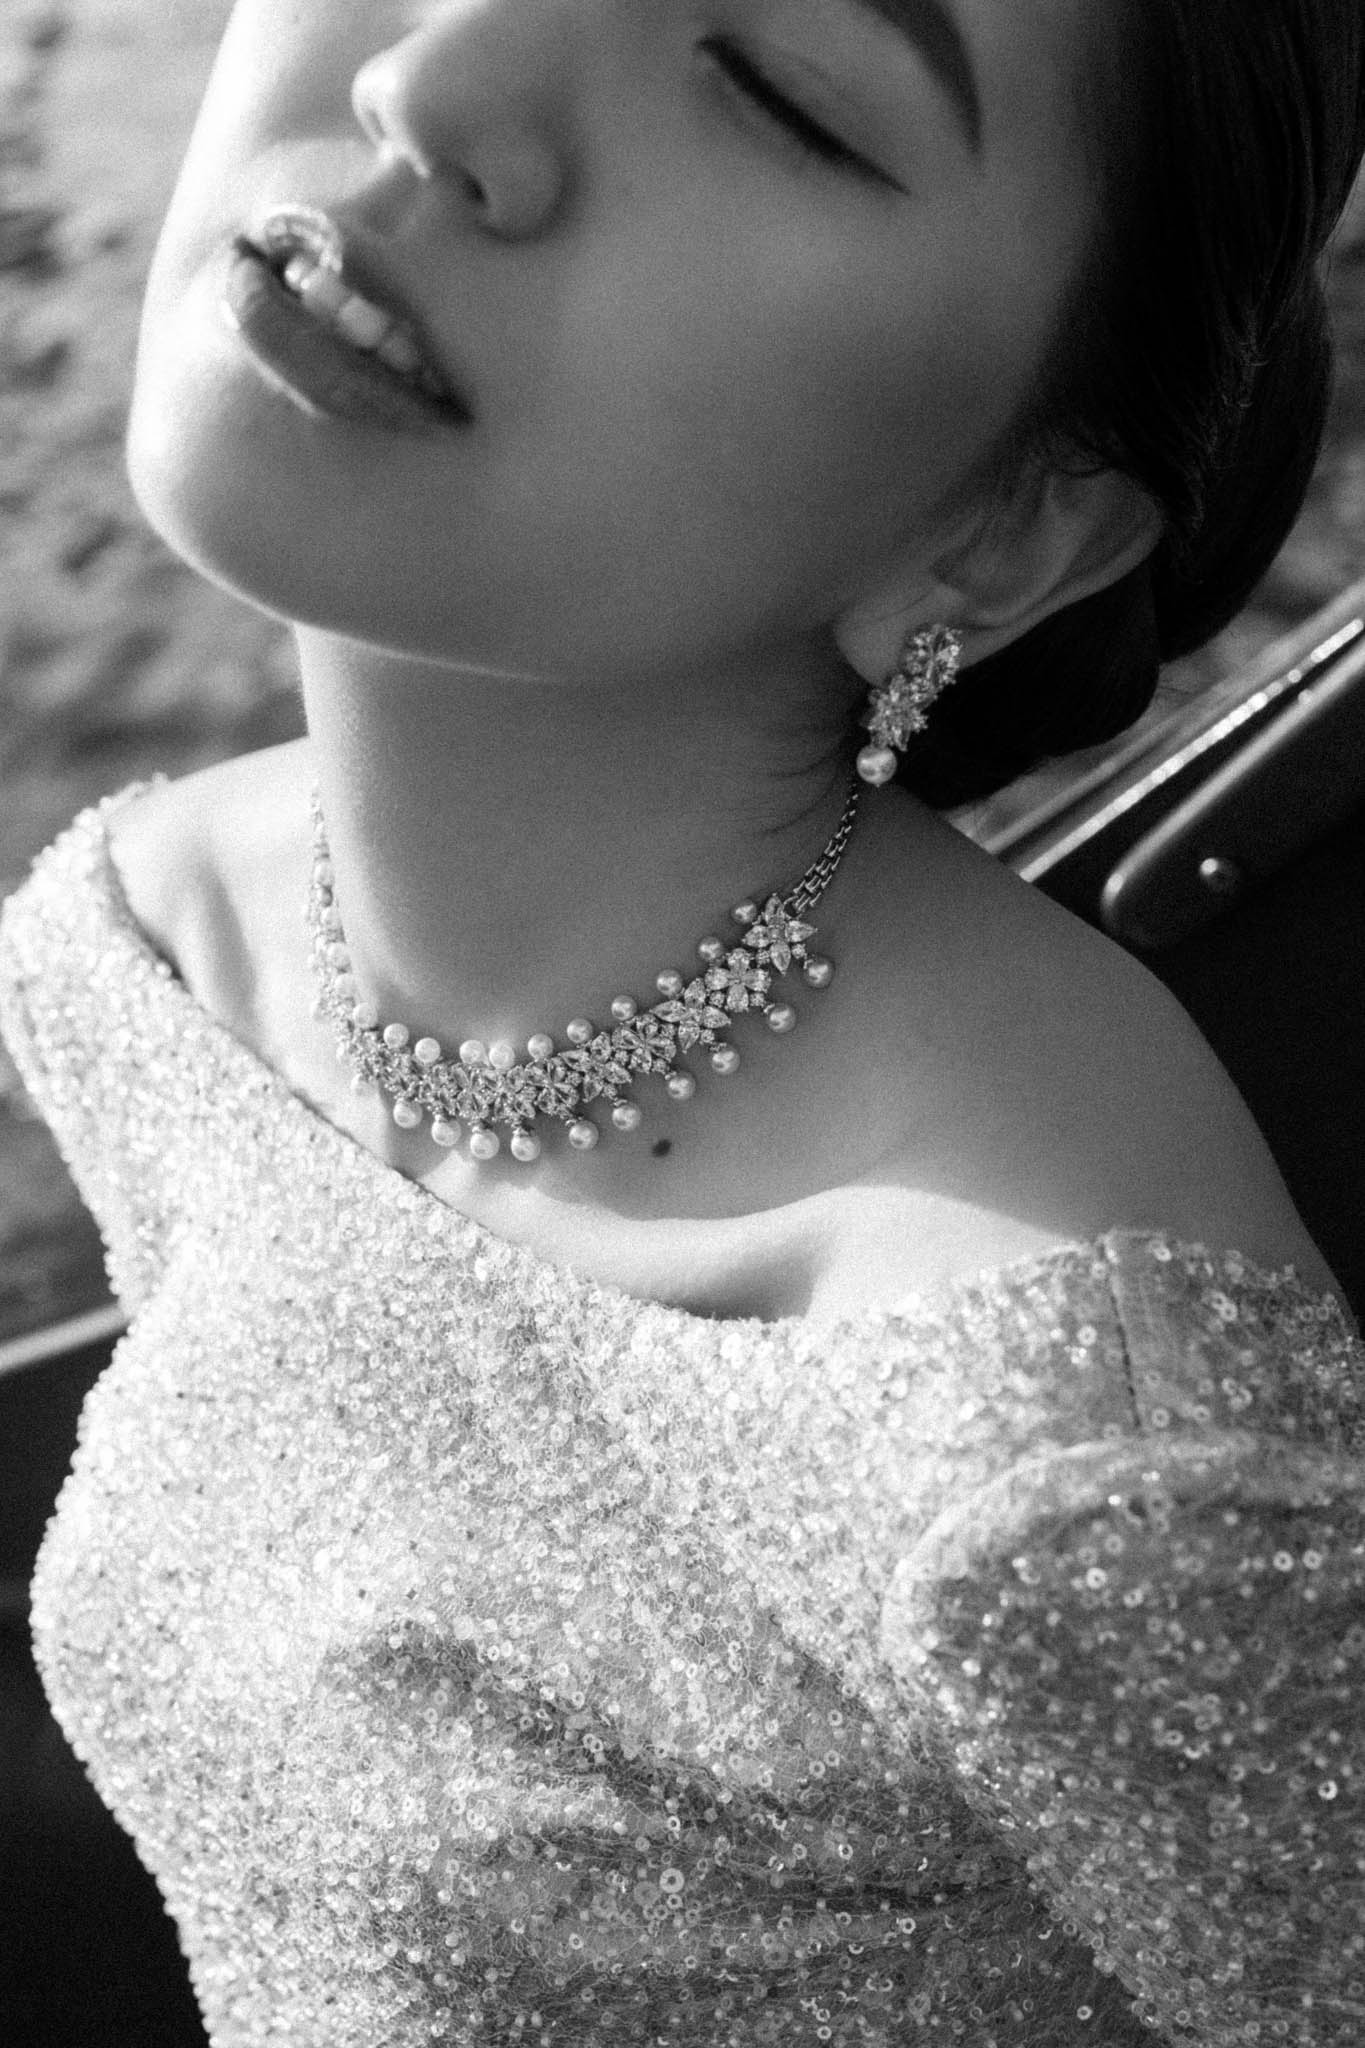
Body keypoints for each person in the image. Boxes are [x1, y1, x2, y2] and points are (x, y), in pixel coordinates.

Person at [2, 1, 1364, 2042]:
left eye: (769, 86)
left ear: (1006, 527)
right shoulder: (142, 949)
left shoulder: (1068, 1454)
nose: (434, 86)